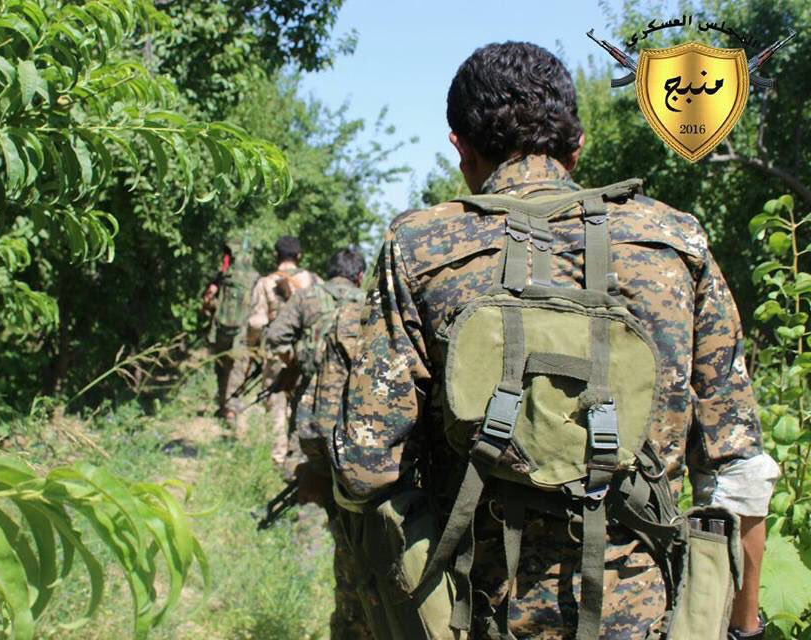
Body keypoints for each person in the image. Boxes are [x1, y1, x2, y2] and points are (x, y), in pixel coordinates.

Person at [334, 42, 779, 639]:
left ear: (460, 149)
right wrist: (743, 629)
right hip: (643, 614)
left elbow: (365, 472)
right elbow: (737, 470)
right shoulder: (675, 242)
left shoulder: (419, 248)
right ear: (578, 146)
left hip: (475, 612)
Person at [265, 246, 372, 639]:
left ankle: (307, 551)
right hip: (360, 414)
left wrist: (296, 361)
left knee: (310, 479)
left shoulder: (308, 297)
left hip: (310, 407)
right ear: (359, 276)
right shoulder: (370, 302)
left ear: (329, 273)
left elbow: (275, 335)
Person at [231, 235, 317, 463]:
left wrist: (252, 347)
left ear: (275, 256)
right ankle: (298, 455)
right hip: (305, 352)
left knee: (276, 402)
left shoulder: (265, 283)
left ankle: (278, 457)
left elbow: (256, 323)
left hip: (276, 353)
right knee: (302, 401)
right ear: (299, 256)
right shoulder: (313, 280)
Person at [201, 233, 259, 419]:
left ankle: (223, 405)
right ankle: (232, 409)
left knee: (221, 367)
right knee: (237, 369)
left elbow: (208, 300)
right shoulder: (256, 277)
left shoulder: (223, 275)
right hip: (242, 331)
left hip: (220, 329)